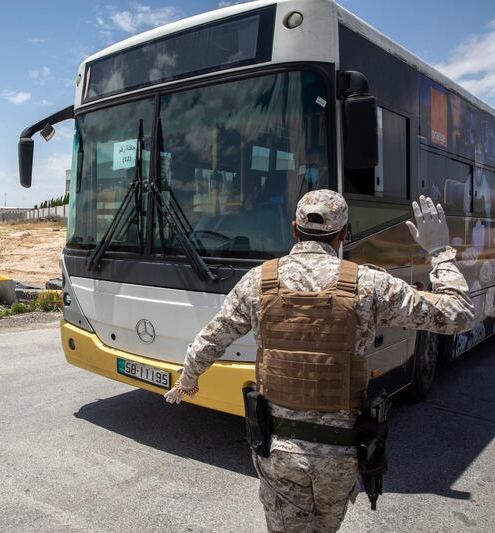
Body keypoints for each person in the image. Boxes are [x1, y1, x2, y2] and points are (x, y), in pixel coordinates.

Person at [164, 190, 473, 532]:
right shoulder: (367, 284)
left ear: (295, 229)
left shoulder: (259, 281)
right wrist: (441, 253)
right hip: (339, 454)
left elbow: (212, 338)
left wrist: (187, 381)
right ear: (344, 234)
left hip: (278, 450)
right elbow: (457, 315)